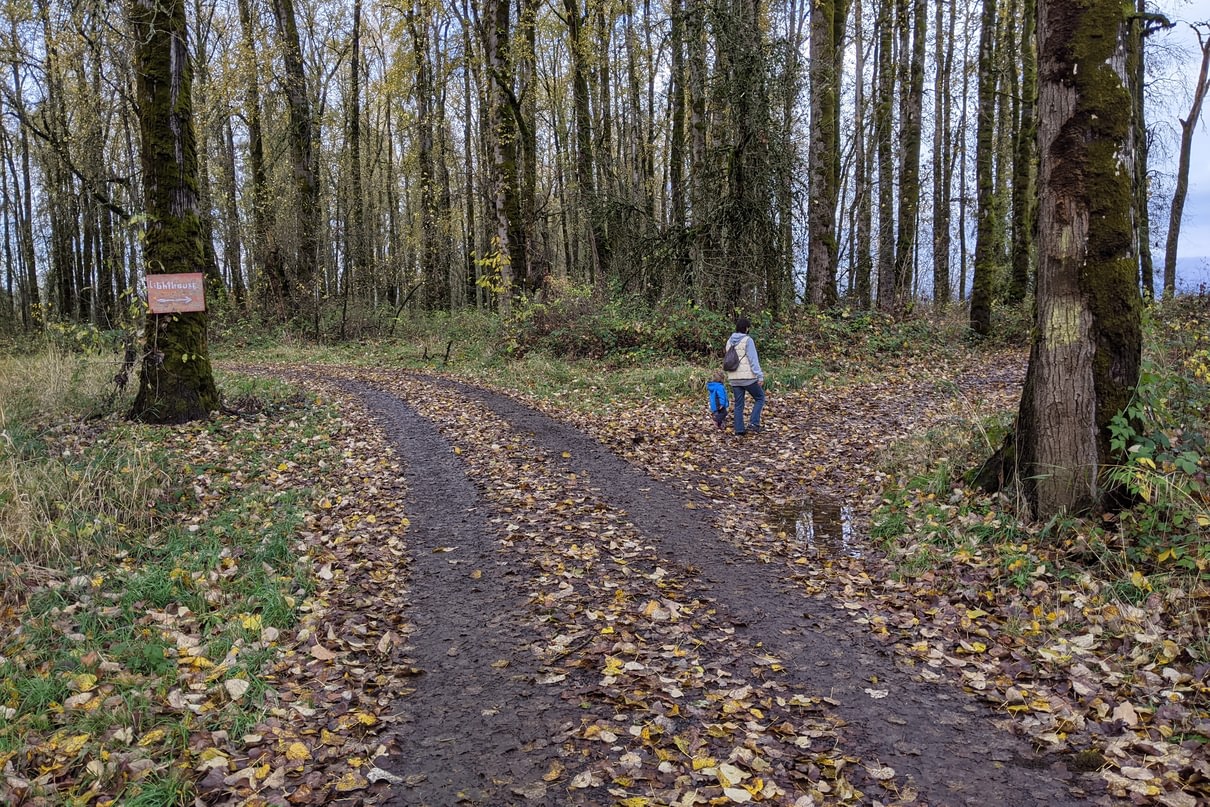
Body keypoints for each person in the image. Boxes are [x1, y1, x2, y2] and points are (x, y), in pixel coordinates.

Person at [723, 316, 765, 435]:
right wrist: (759, 375)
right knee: (760, 398)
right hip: (748, 378)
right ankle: (754, 423)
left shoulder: (729, 341)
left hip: (734, 377)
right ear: (746, 328)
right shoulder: (748, 340)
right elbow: (753, 359)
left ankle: (739, 430)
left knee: (739, 404)